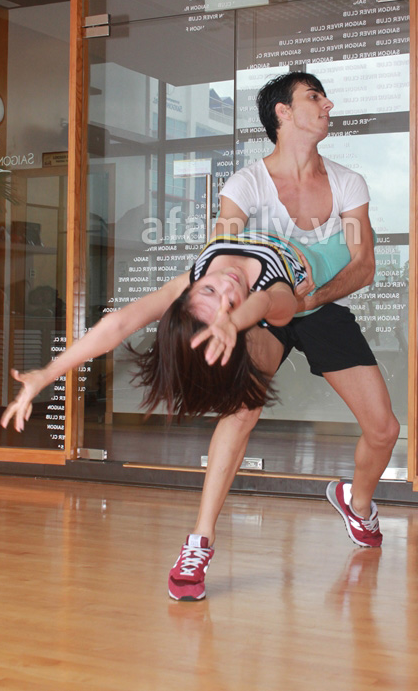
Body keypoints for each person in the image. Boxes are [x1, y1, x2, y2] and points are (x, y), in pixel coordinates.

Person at [168, 72, 399, 601]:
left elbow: (362, 264)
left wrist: (309, 300)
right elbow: (222, 248)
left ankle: (357, 503)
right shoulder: (246, 185)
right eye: (314, 97)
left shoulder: (348, 183)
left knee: (384, 429)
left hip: (319, 306)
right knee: (240, 411)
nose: (327, 104)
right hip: (262, 308)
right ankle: (198, 542)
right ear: (283, 113)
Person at [0, 226, 353, 426]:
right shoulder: (272, 300)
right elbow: (268, 304)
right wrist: (233, 320)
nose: (226, 285)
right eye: (229, 304)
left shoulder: (191, 282)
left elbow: (117, 324)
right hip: (322, 255)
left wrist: (46, 374)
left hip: (285, 215)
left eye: (209, 290)